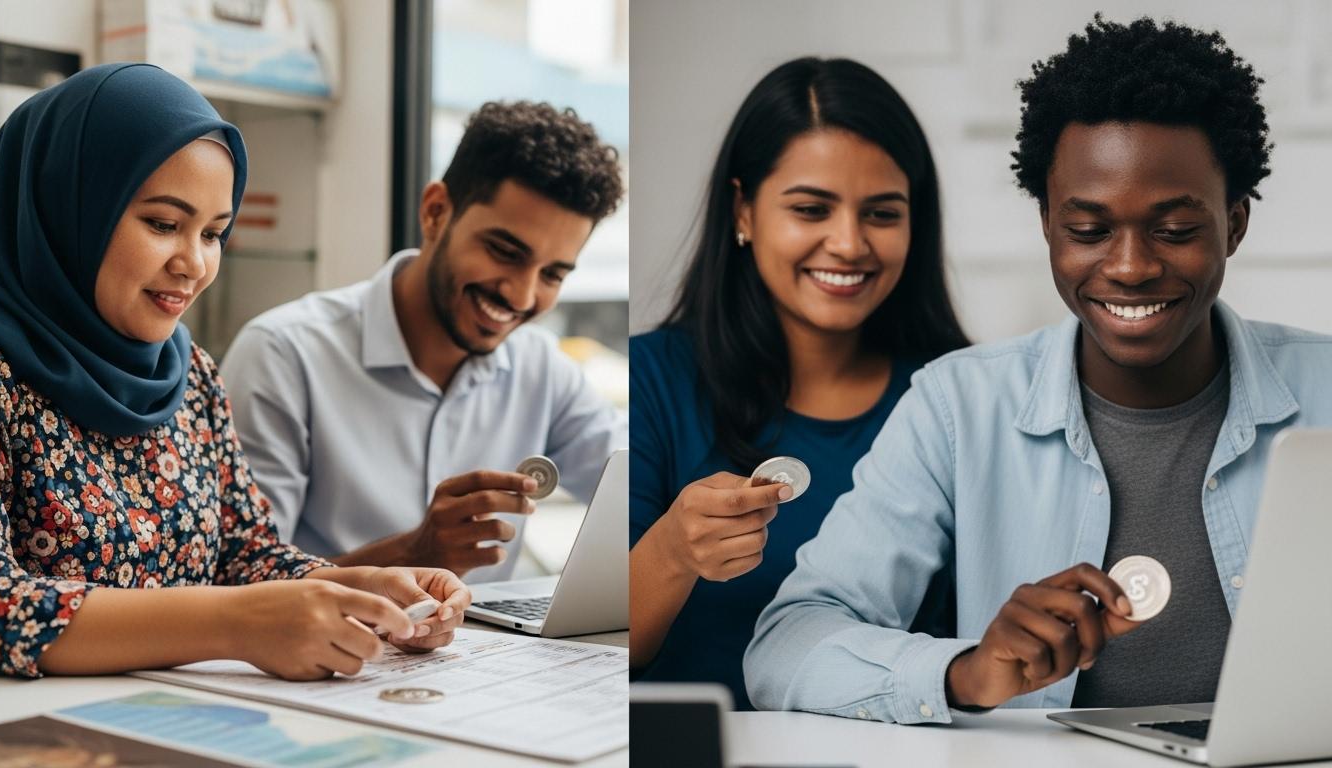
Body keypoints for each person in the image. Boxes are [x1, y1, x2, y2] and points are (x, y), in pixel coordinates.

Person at [746, 16, 1332, 722]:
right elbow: (786, 646)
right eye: (1088, 230)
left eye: (1175, 230)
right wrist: (965, 672)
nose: (1130, 266)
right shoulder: (959, 407)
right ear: (1047, 223)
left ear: (1234, 224)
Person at [0, 63, 468, 680]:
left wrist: (358, 592)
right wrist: (235, 624)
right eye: (163, 224)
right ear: (66, 208)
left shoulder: (191, 374)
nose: (194, 264)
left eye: (214, 233)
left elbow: (242, 553)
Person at [629, 57, 971, 709]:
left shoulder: (959, 396)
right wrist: (673, 551)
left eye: (882, 213)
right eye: (811, 208)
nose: (848, 243)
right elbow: (598, 647)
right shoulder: (650, 378)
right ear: (744, 211)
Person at [220, 101, 626, 582]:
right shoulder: (283, 356)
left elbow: (639, 489)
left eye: (553, 274)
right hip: (335, 654)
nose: (522, 294)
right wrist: (414, 552)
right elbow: (240, 585)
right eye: (504, 252)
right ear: (436, 212)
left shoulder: (542, 369)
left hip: (498, 653)